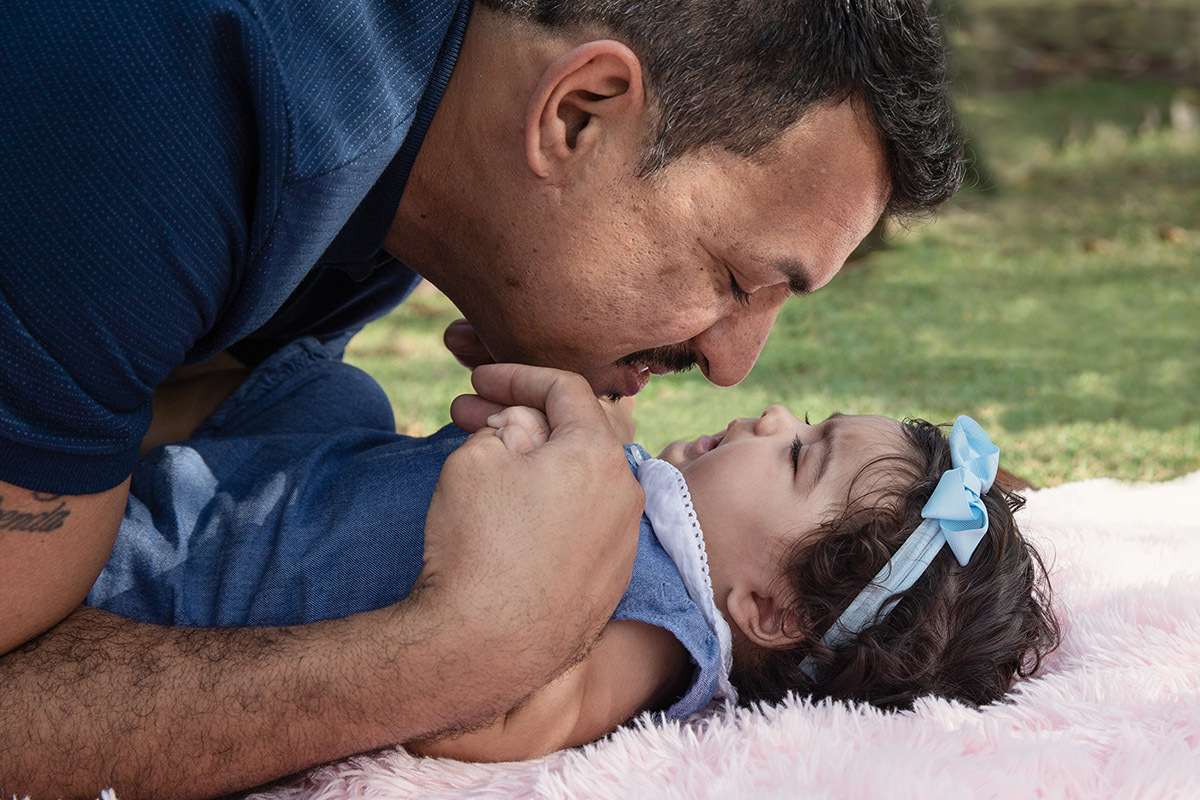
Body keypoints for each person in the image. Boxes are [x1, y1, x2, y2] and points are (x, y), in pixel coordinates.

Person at [0, 0, 964, 795]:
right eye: (736, 277)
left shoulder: (394, 189)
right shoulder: (164, 127)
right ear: (578, 113)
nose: (734, 367)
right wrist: (461, 650)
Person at [88, 339, 1059, 763]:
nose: (774, 410)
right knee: (330, 389)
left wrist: (494, 607)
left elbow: (523, 708)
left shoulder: (662, 630)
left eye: (802, 451)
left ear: (770, 608)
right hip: (295, 482)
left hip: (199, 576)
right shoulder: (654, 520)